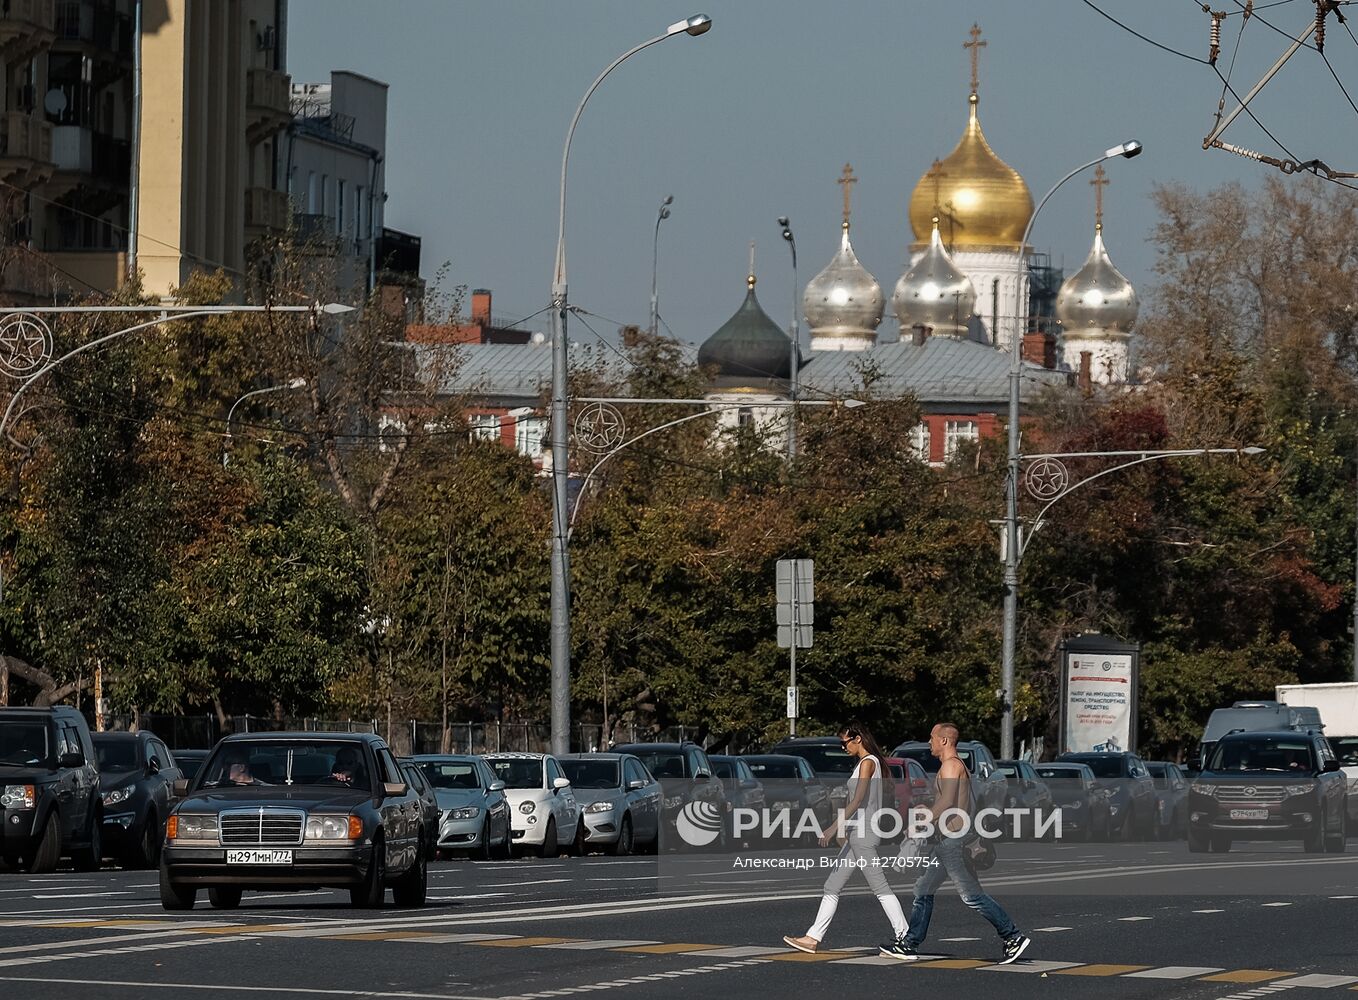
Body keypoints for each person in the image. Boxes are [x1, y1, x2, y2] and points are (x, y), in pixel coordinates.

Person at [881, 722, 1030, 964]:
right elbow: (946, 802)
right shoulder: (952, 766)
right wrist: (926, 810)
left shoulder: (951, 765)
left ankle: (1012, 936)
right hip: (945, 841)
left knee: (971, 896)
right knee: (923, 889)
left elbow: (948, 801)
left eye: (932, 738)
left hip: (954, 841)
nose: (929, 742)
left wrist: (922, 820)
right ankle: (909, 943)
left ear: (944, 741)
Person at [783, 722, 909, 954]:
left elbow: (858, 800)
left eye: (845, 742)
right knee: (831, 885)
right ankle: (813, 938)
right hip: (857, 834)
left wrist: (833, 828)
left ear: (857, 738)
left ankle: (905, 937)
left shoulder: (868, 763)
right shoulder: (866, 763)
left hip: (863, 834)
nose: (843, 747)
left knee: (880, 887)